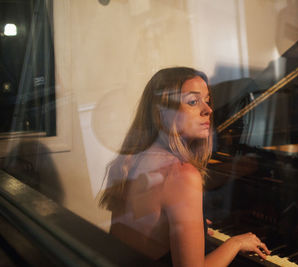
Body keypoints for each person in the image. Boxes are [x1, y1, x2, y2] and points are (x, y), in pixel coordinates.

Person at [99, 67, 270, 267]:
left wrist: (189, 226)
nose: (208, 110)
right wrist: (236, 242)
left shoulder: (129, 161)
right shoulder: (182, 174)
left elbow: (150, 226)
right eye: (193, 101)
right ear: (162, 112)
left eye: (207, 100)